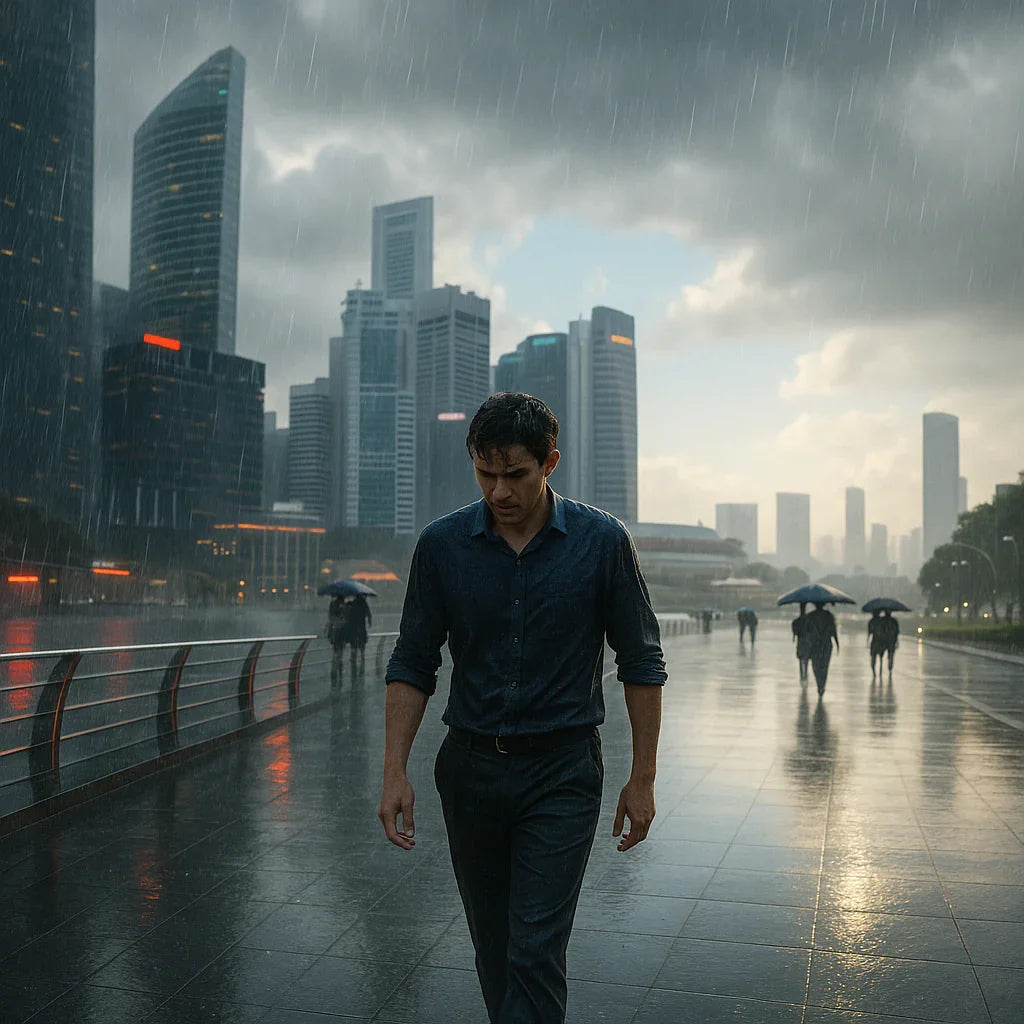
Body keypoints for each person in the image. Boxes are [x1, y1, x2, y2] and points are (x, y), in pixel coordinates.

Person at [378, 392, 667, 1024]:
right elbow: (413, 661)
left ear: (550, 463)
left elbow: (642, 662)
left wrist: (642, 778)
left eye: (516, 474)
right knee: (495, 949)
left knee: (535, 951)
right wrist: (394, 770)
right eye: (485, 473)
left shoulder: (601, 542)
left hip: (561, 771)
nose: (499, 491)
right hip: (470, 770)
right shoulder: (442, 546)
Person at [804, 601, 840, 697]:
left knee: (816, 666)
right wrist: (837, 644)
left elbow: (807, 632)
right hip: (826, 645)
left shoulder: (810, 616)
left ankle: (819, 684)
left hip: (815, 645)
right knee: (824, 666)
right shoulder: (829, 616)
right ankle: (822, 685)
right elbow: (834, 631)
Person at [326, 596, 350, 686]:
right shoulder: (344, 606)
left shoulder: (332, 604)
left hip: (335, 634)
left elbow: (330, 618)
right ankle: (339, 674)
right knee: (340, 655)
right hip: (341, 634)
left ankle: (334, 673)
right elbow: (346, 619)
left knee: (335, 654)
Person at [347, 594, 372, 675]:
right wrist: (369, 623)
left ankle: (353, 667)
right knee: (362, 648)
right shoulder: (364, 604)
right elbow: (369, 615)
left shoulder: (353, 604)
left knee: (353, 648)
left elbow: (349, 616)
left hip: (353, 629)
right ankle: (362, 665)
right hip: (361, 628)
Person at [792, 602, 810, 681]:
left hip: (800, 642)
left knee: (801, 659)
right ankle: (805, 674)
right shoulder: (809, 621)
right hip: (807, 642)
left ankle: (802, 676)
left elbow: (795, 633)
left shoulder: (796, 621)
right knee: (806, 659)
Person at [881, 609, 899, 674]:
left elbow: (896, 632)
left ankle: (889, 667)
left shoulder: (883, 620)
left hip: (890, 641)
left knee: (890, 655)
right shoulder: (893, 621)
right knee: (889, 655)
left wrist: (896, 640)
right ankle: (889, 667)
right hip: (886, 641)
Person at [867, 609, 885, 677]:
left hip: (875, 642)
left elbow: (869, 632)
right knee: (880, 658)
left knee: (874, 658)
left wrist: (867, 641)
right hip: (880, 642)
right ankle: (879, 672)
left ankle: (874, 672)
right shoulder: (881, 621)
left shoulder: (872, 621)